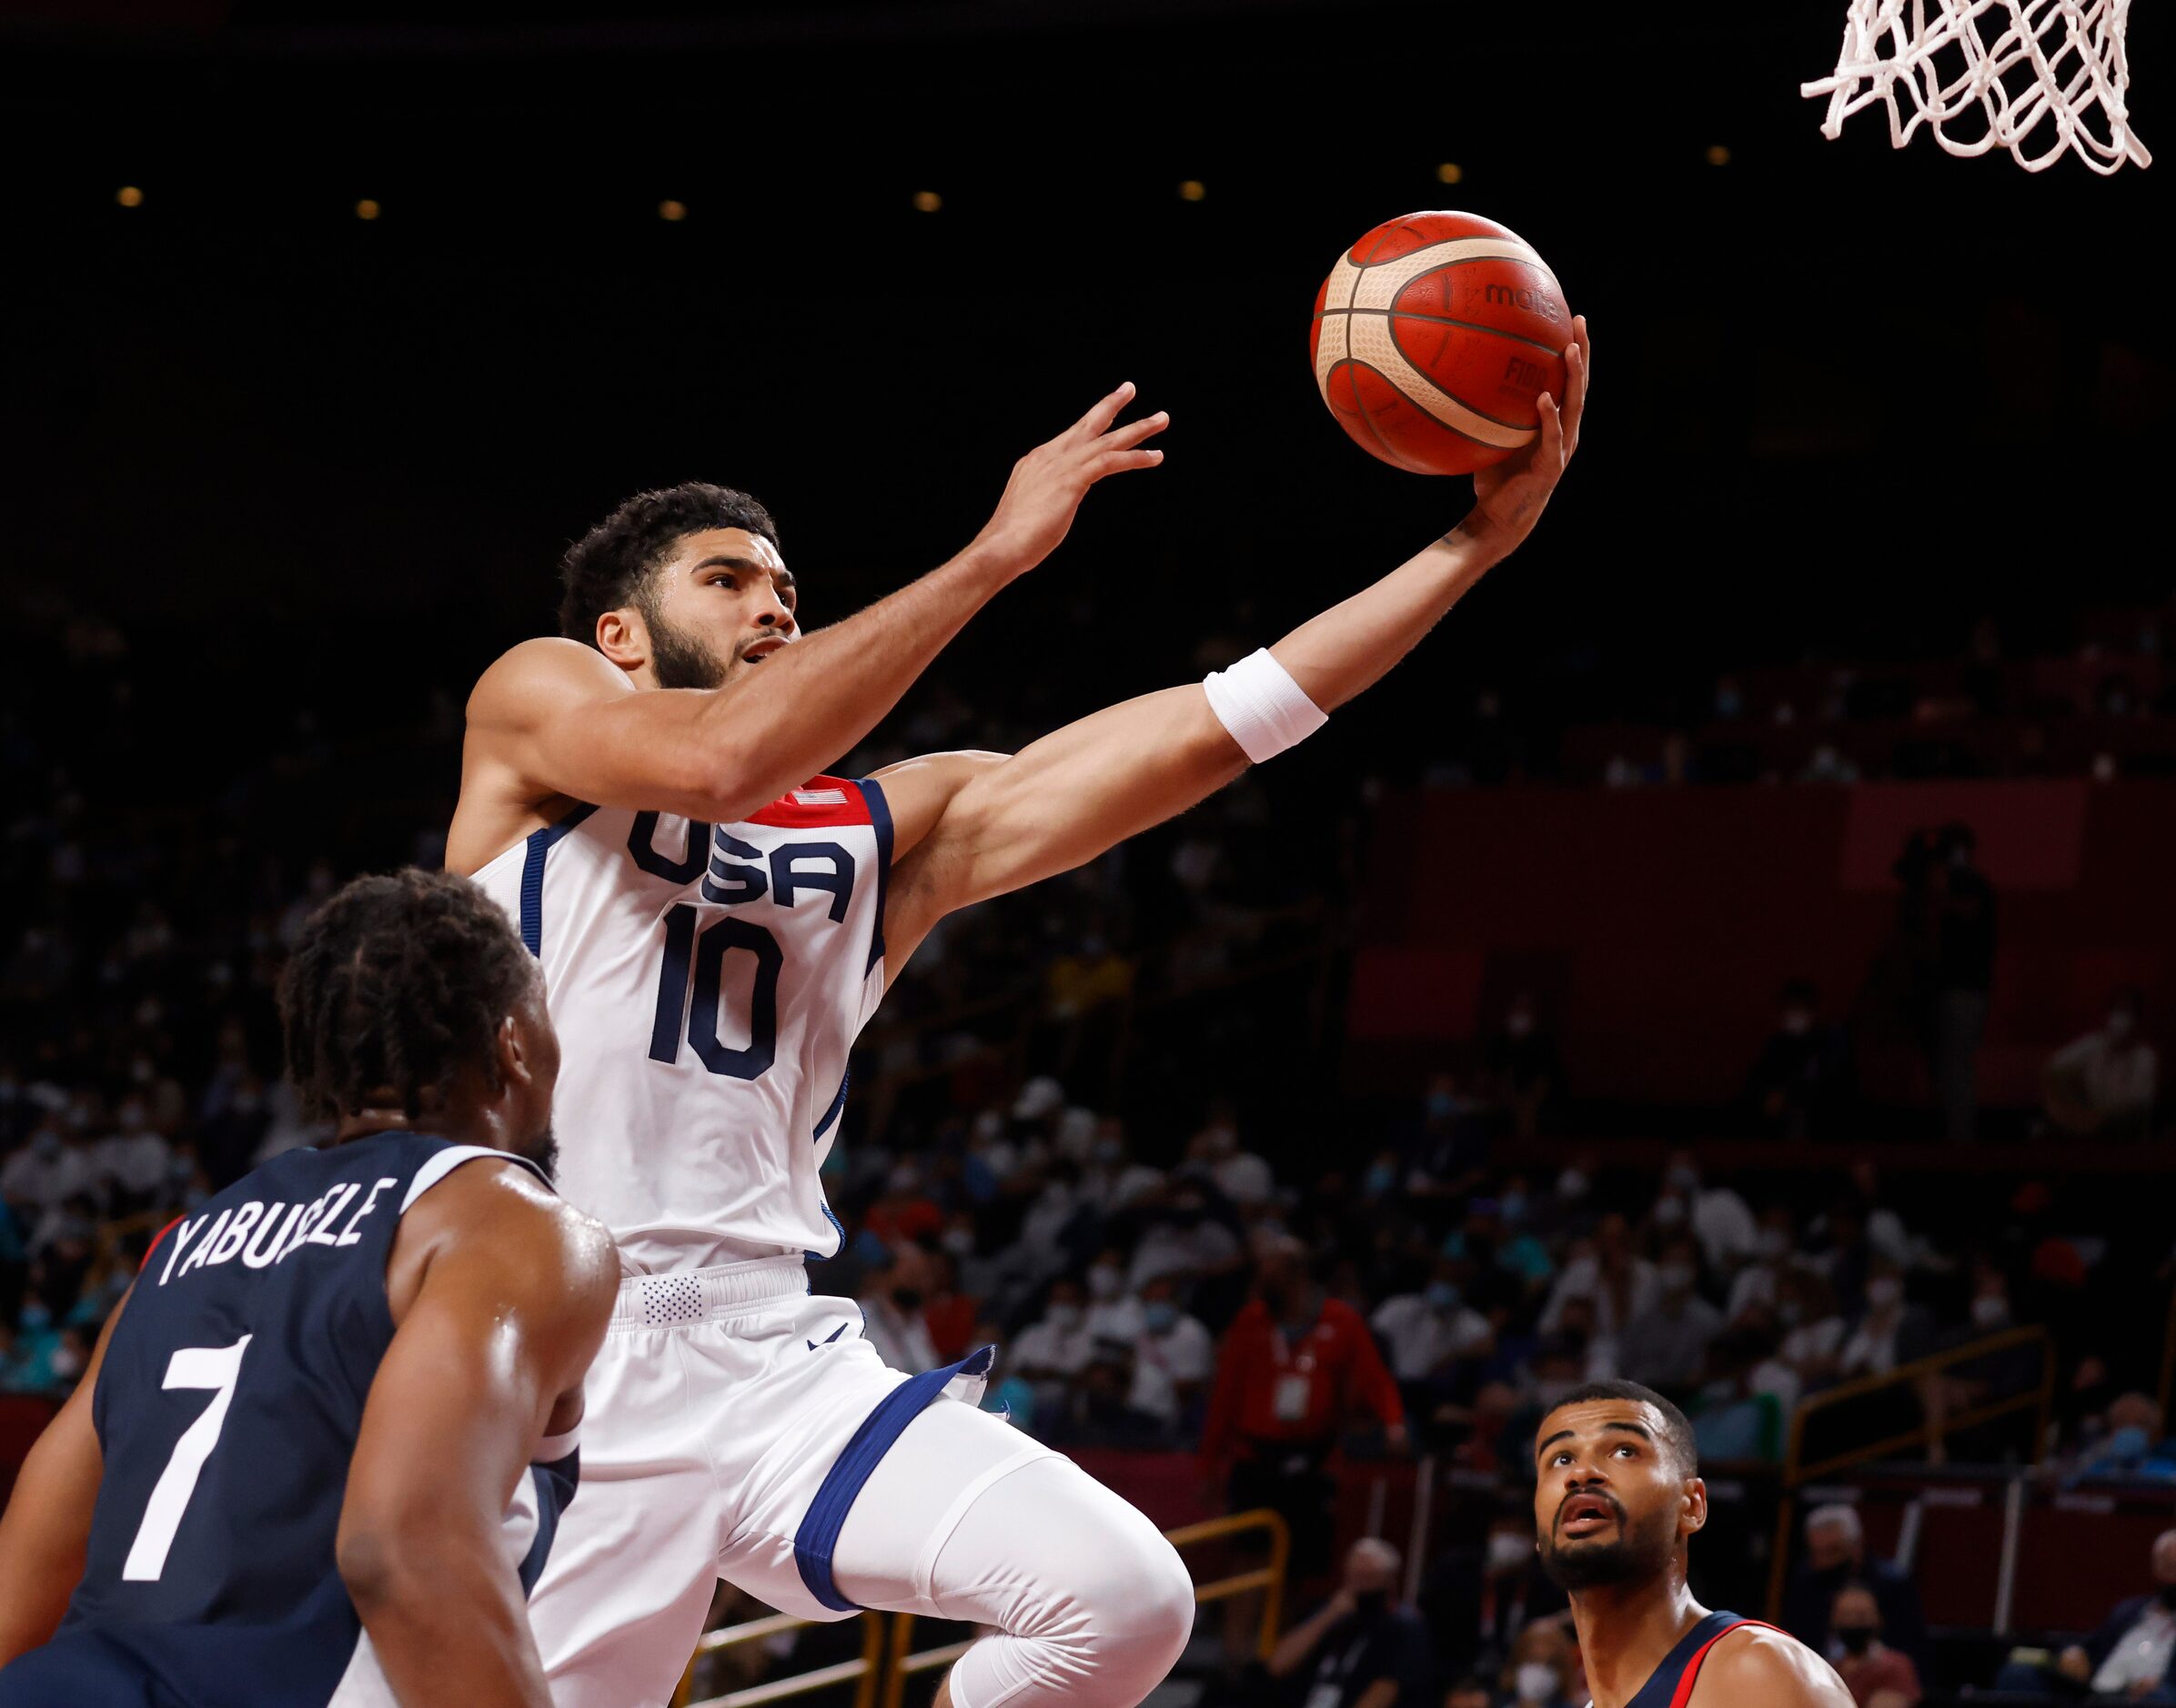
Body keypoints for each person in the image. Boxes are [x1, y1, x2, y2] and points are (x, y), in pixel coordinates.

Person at [444, 321, 1589, 1708]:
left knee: (1122, 1602)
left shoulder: (890, 827)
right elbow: (725, 753)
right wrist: (992, 557)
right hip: (555, 1353)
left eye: (790, 589)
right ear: (619, 632)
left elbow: (1227, 717)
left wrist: (1472, 549)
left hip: (771, 1364)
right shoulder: (539, 702)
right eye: (730, 578)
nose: (776, 607)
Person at [0, 870, 619, 1707]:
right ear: (513, 1041)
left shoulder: (181, 1247)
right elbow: (406, 1552)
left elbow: (26, 1576)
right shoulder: (508, 1222)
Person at [1531, 1377, 1851, 1706]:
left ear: (1692, 1506)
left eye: (1625, 1451)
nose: (1582, 1473)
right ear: (1539, 1528)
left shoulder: (1759, 1673)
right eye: (1561, 1459)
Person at [1993, 1528, 2176, 1700]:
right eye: (2167, 1567)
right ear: (2155, 1568)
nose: (2170, 1577)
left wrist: (2160, 1685)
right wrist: (2073, 1652)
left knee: (2160, 1697)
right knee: (2018, 1673)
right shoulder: (2129, 1610)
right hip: (2094, 1692)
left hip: (2145, 1697)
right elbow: (2088, 1646)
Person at [1266, 1538, 1434, 1708]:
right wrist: (1330, 1614)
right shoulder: (1330, 1612)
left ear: (1390, 1581)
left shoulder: (1405, 1626)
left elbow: (1386, 1690)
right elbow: (1278, 1666)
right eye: (1355, 1575)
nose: (1360, 1586)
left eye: (1369, 1577)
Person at [1778, 1505, 1928, 1673]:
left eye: (1832, 1552)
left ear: (1856, 1546)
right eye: (1816, 1553)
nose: (1823, 1563)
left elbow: (1910, 1651)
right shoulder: (1805, 1582)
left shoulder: (1892, 1585)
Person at [2043, 990, 2158, 1140]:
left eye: (2127, 1012)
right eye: (2117, 1010)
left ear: (2137, 1019)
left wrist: (2099, 1117)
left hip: (2125, 1131)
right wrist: (2068, 1108)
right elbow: (2053, 1067)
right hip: (2085, 1124)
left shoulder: (2145, 1057)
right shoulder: (2093, 1045)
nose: (2120, 1018)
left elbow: (2138, 1103)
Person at [1828, 1582, 1920, 1708]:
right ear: (1833, 1619)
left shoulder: (1895, 1667)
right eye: (1846, 1615)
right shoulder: (1823, 1668)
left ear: (1878, 1619)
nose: (1853, 1623)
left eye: (1861, 1617)